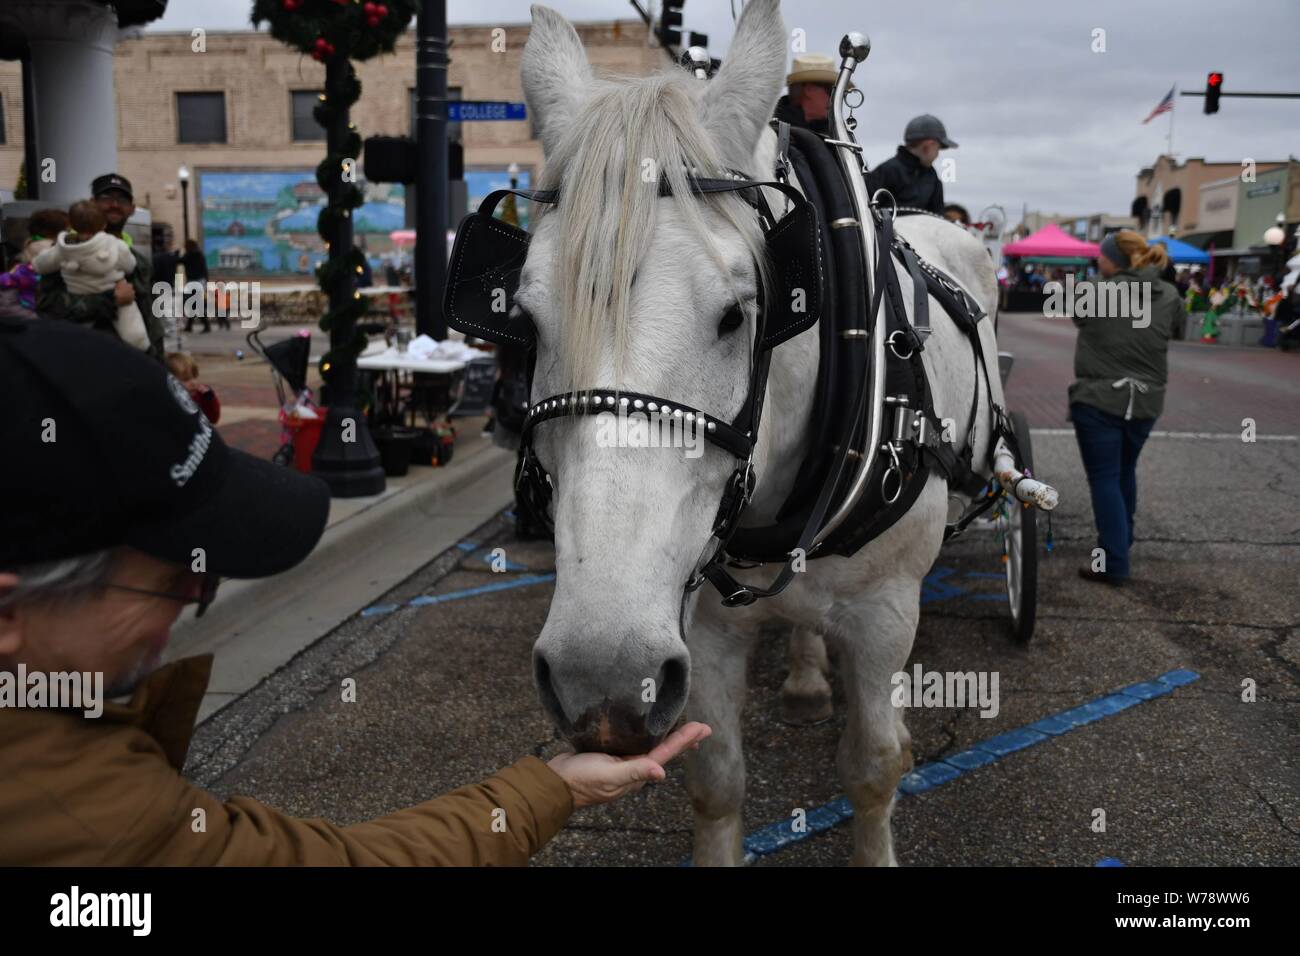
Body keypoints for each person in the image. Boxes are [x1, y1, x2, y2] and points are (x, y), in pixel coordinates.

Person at [0, 319, 710, 865]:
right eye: (173, 585)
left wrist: (557, 787)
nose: (190, 602)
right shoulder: (88, 816)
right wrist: (552, 791)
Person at [1069, 230, 1183, 586]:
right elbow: (1177, 328)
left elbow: (1078, 318)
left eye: (1102, 255)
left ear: (1114, 260)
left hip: (1099, 397)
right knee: (1124, 471)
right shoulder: (1169, 294)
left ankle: (1114, 561)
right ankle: (1122, 541)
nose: (1097, 259)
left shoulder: (1093, 292)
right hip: (1147, 400)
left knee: (1104, 479)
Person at [36, 173, 165, 359]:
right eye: (106, 198)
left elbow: (151, 320)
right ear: (92, 203)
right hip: (83, 361)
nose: (115, 204)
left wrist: (158, 362)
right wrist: (109, 300)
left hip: (132, 365)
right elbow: (46, 306)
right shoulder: (68, 251)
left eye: (122, 199)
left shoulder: (138, 262)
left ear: (131, 209)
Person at [867, 114, 956, 216]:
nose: (937, 155)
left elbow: (937, 217)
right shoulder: (888, 171)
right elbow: (866, 212)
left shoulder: (932, 177)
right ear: (928, 146)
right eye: (938, 149)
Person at [0, 208, 68, 321]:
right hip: (35, 301)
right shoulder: (49, 247)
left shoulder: (31, 242)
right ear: (56, 231)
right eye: (67, 229)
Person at [774, 52, 837, 134]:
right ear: (809, 89)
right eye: (831, 90)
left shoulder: (833, 132)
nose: (834, 98)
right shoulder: (772, 130)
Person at [164, 351, 221, 424]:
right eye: (186, 379)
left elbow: (213, 419)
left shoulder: (201, 395)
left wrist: (210, 400)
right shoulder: (170, 400)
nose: (193, 383)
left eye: (194, 377)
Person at [181, 239, 213, 333]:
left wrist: (173, 255)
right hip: (200, 281)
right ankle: (190, 326)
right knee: (194, 304)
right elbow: (204, 268)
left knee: (195, 304)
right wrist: (206, 281)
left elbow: (181, 260)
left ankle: (204, 326)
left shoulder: (190, 254)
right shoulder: (199, 254)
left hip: (194, 281)